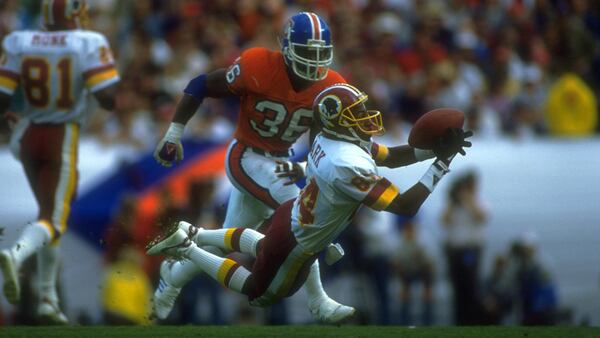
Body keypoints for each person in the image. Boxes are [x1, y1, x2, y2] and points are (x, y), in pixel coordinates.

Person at [146, 83, 472, 319]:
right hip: (298, 241)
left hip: (292, 214)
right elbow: (406, 206)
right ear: (337, 119)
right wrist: (441, 164)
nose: (365, 116)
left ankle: (196, 233)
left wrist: (436, 150)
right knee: (259, 292)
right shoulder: (347, 163)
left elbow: (394, 156)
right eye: (355, 112)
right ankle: (189, 247)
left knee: (260, 248)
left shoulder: (333, 137)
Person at [151, 12, 354, 323]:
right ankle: (318, 300)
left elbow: (320, 141)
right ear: (287, 49)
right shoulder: (258, 65)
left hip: (282, 161)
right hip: (246, 155)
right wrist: (174, 132)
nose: (314, 63)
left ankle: (173, 276)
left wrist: (304, 166)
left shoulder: (331, 86)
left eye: (319, 54)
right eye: (306, 52)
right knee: (298, 218)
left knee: (224, 248)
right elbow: (200, 84)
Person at [0, 0, 119, 324]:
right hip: (60, 135)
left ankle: (47, 298)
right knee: (53, 218)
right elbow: (108, 99)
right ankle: (16, 254)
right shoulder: (87, 42)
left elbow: (2, 97)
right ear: (74, 14)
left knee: (49, 216)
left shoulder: (19, 41)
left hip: (27, 133)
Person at [441, 170, 488, 325]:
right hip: (455, 252)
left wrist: (467, 198)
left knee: (472, 288)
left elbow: (481, 217)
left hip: (471, 250)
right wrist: (453, 201)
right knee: (458, 289)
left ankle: (473, 321)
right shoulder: (453, 205)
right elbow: (444, 221)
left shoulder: (478, 201)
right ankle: (459, 323)